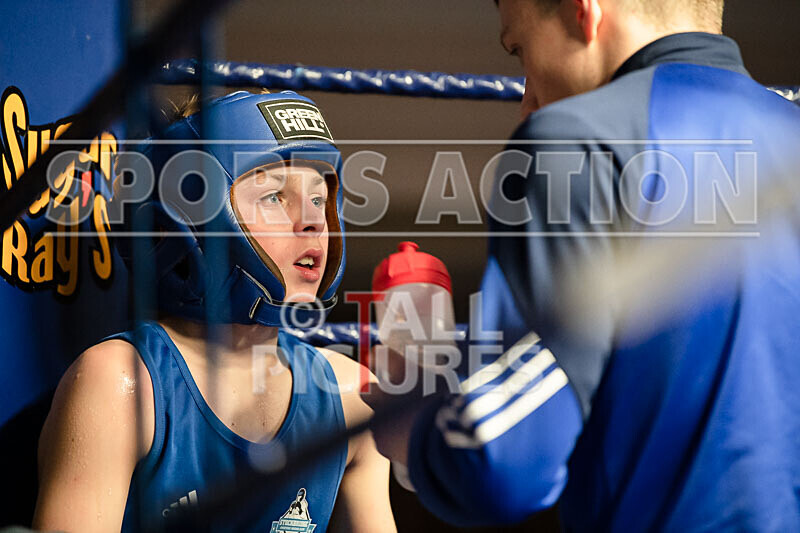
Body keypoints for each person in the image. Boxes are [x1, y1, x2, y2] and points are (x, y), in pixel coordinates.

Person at [365, 0, 800, 531]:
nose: (527, 101)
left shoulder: (576, 140)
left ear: (583, 12)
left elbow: (501, 466)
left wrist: (412, 416)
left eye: (520, 50)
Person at [33, 91, 396, 532]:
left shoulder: (350, 395)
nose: (313, 222)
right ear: (191, 221)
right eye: (275, 196)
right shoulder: (121, 383)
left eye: (319, 199)